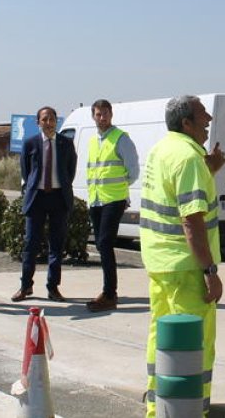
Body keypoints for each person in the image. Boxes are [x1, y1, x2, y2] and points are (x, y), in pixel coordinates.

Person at [140, 95, 225, 418]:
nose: (209, 120)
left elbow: (174, 195)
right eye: (203, 114)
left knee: (161, 337)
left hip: (161, 263)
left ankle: (157, 405)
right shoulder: (189, 158)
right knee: (194, 343)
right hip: (186, 268)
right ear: (186, 123)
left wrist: (210, 170)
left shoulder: (163, 150)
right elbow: (192, 221)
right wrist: (210, 271)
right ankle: (191, 408)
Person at [13, 106, 78, 302]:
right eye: (45, 119)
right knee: (31, 244)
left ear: (56, 121)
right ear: (38, 122)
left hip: (59, 198)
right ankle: (26, 286)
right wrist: (35, 185)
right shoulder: (30, 143)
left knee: (56, 246)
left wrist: (62, 185)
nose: (48, 123)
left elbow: (70, 170)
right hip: (37, 198)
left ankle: (53, 287)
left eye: (52, 119)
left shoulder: (66, 143)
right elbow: (26, 171)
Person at [85, 99, 139, 312]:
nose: (102, 118)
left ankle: (109, 293)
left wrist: (120, 192)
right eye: (98, 114)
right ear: (93, 116)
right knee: (100, 244)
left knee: (105, 244)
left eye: (105, 114)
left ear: (111, 114)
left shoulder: (121, 139)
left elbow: (133, 172)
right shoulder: (92, 142)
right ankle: (108, 291)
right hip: (96, 199)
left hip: (113, 200)